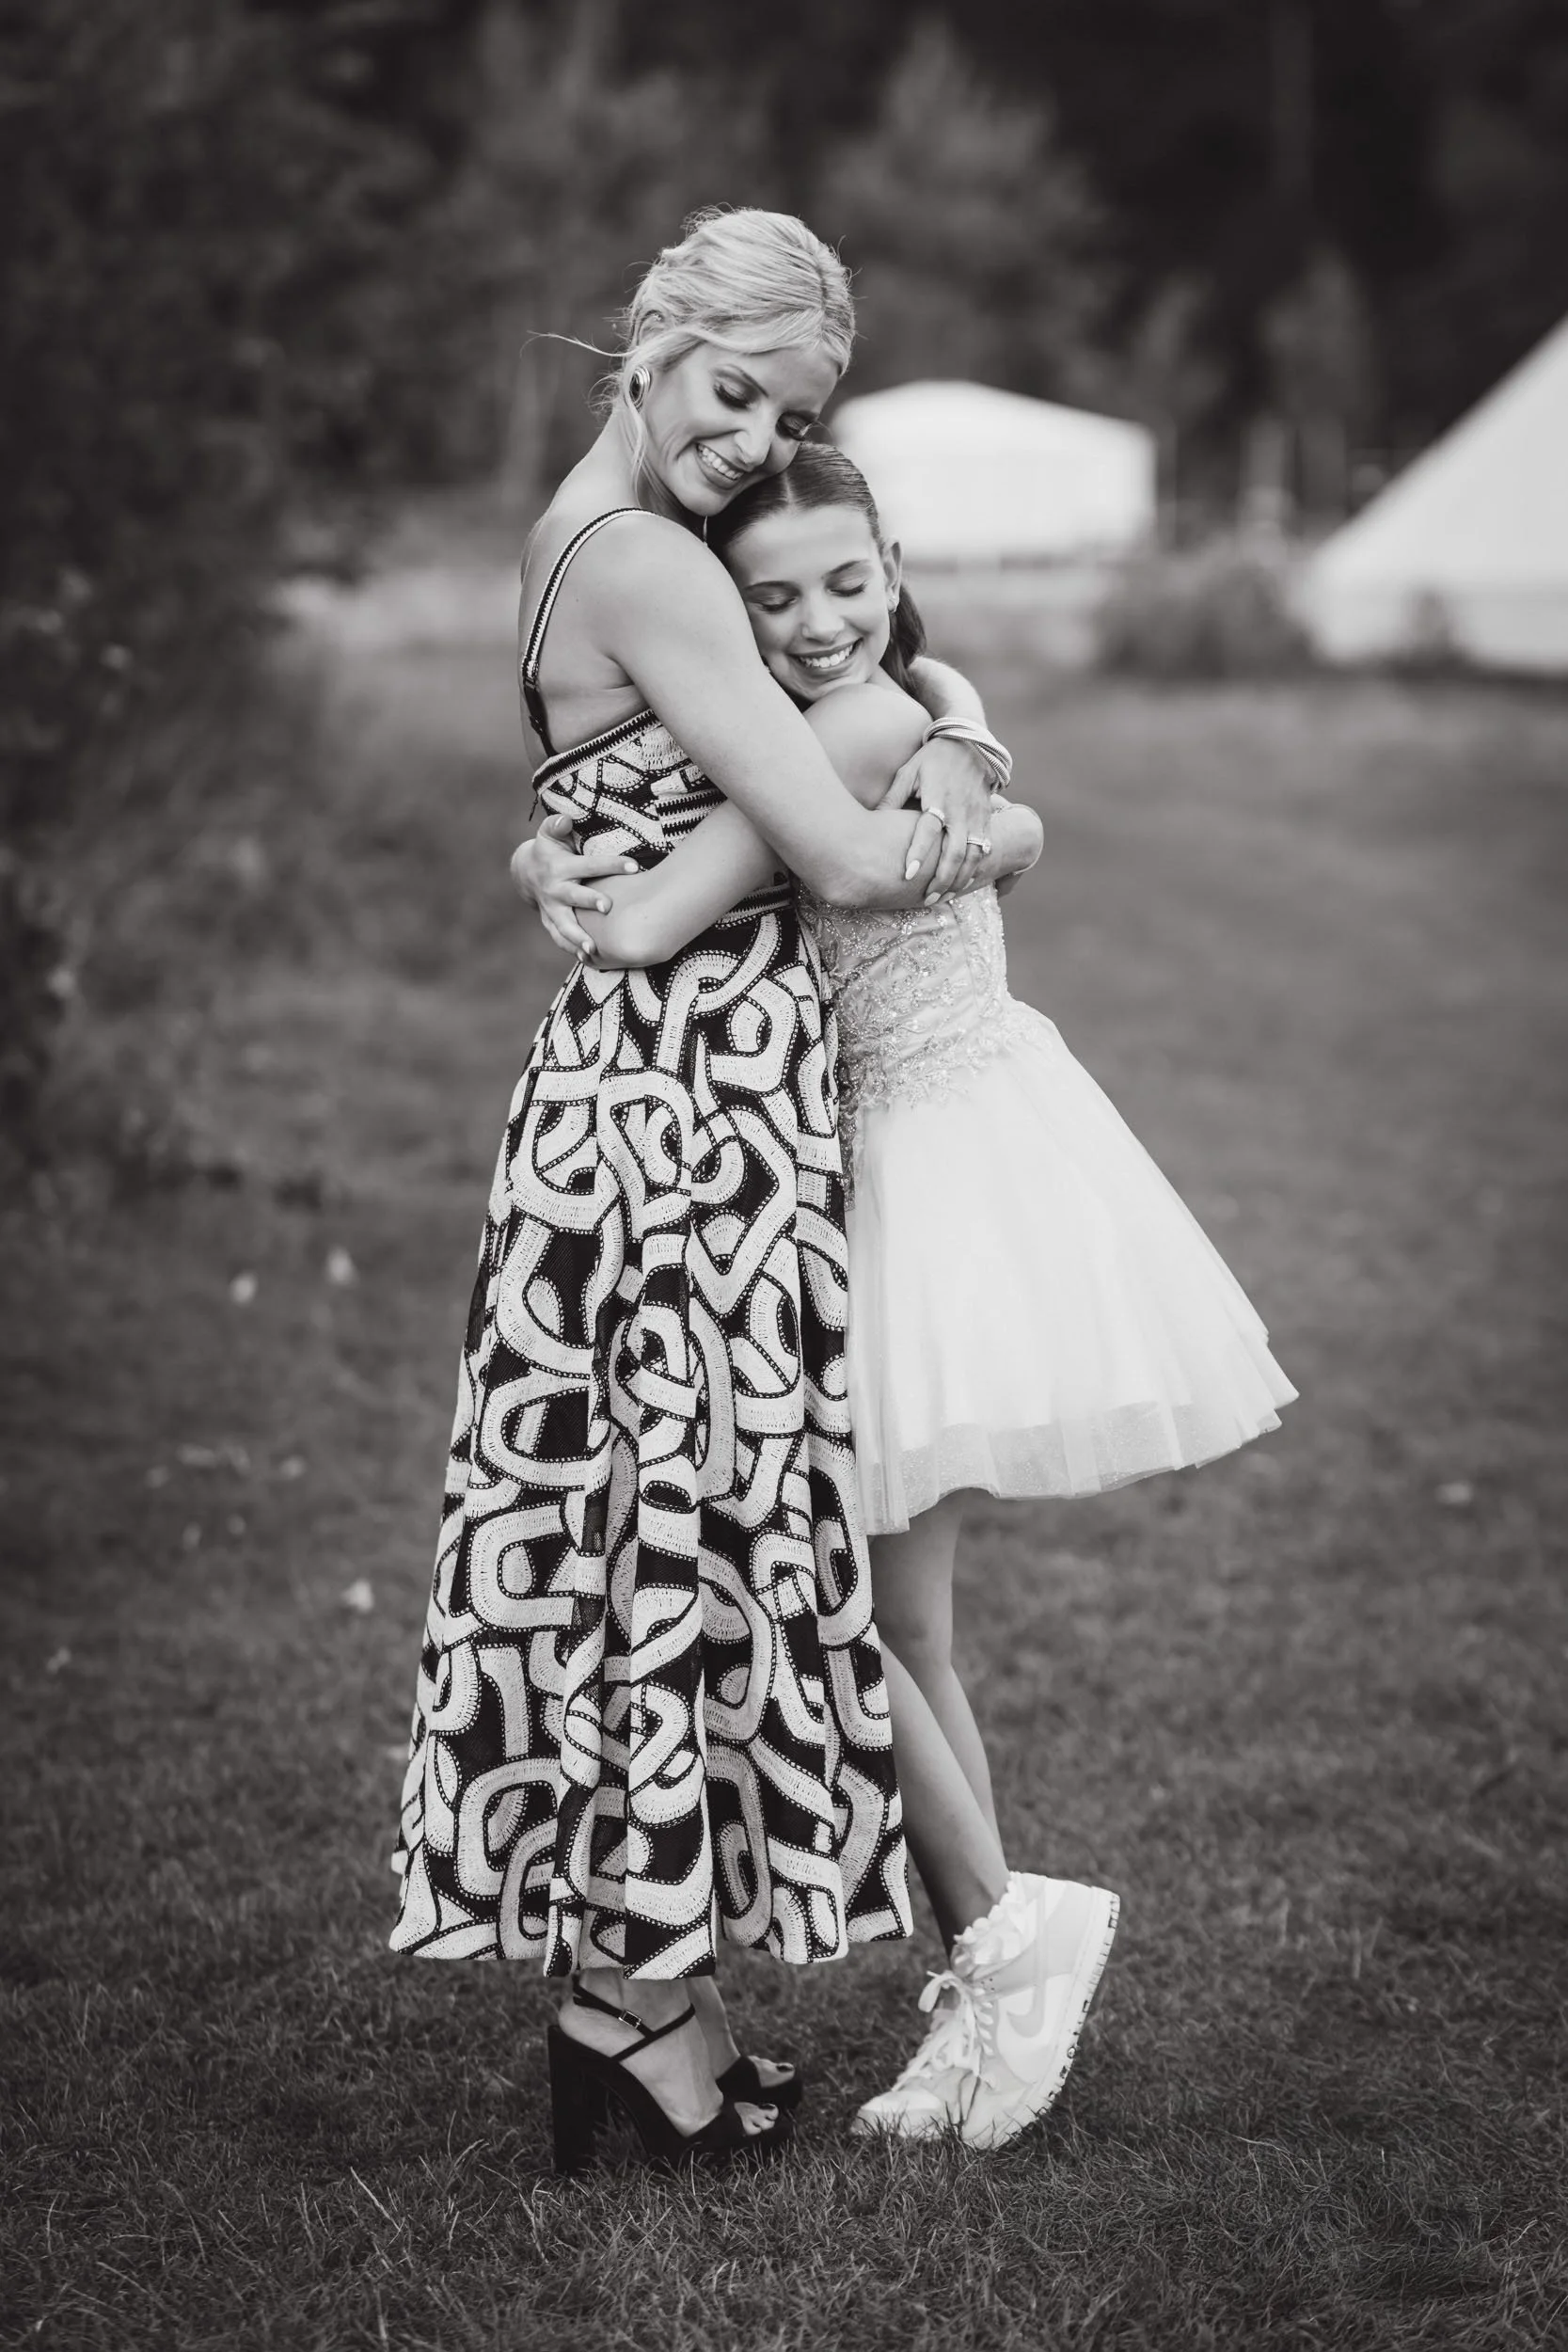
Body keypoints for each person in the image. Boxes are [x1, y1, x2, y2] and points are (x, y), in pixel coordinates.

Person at [518, 441, 1297, 2150]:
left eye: (845, 582)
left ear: (892, 566)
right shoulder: (906, 702)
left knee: (846, 1611)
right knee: (900, 1623)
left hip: (915, 1181)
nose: (815, 622)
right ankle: (989, 1969)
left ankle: (1010, 1942)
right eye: (771, 599)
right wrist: (972, 747)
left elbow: (648, 923)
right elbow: (933, 741)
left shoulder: (846, 731)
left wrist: (560, 879)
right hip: (917, 1154)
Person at [388, 208, 1045, 2176]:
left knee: (651, 1544)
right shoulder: (653, 562)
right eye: (732, 390)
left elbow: (647, 792)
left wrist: (955, 734)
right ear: (649, 340)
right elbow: (831, 849)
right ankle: (642, 2021)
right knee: (695, 1538)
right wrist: (984, 813)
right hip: (681, 1109)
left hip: (660, 1089)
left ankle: (649, 2024)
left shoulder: (569, 535)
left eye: (791, 415)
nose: (752, 441)